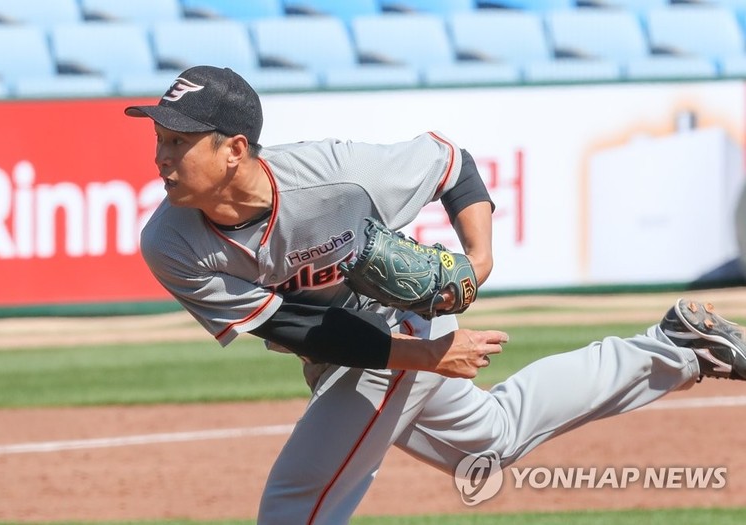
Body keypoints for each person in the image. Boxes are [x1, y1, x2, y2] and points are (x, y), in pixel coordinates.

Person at [125, 65, 746, 524]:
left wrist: (478, 260)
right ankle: (678, 348)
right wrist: (424, 359)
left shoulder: (338, 177)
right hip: (370, 353)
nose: (162, 156)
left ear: (234, 150)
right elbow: (289, 327)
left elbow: (453, 165)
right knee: (494, 439)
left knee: (296, 501)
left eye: (179, 140)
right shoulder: (172, 243)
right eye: (161, 138)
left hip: (397, 335)